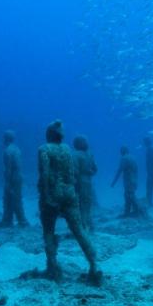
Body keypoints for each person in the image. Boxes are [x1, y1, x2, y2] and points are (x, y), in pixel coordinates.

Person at [38, 120, 101, 284]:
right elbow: (71, 173)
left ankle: (52, 267)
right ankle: (94, 265)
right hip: (69, 194)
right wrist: (71, 191)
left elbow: (45, 174)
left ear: (49, 134)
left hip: (53, 194)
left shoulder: (44, 149)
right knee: (79, 230)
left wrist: (46, 195)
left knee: (48, 230)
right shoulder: (67, 149)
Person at [0, 130, 29, 227]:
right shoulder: (17, 149)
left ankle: (20, 221)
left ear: (5, 139)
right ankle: (9, 219)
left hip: (13, 177)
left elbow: (8, 168)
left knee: (10, 199)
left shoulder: (7, 151)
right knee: (15, 198)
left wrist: (7, 182)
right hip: (19, 176)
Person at [111, 145, 146, 218]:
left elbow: (120, 170)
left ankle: (138, 211)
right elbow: (136, 169)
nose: (120, 153)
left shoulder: (124, 158)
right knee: (129, 195)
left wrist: (114, 182)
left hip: (128, 180)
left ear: (122, 151)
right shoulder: (133, 158)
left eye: (121, 151)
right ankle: (128, 212)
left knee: (129, 195)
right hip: (134, 180)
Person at [72, 135, 97, 230]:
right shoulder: (89, 154)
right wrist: (89, 172)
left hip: (80, 183)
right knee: (87, 204)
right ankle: (90, 225)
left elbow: (75, 171)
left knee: (81, 205)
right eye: (85, 141)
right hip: (88, 182)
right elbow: (95, 169)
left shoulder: (75, 155)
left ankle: (83, 226)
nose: (87, 143)